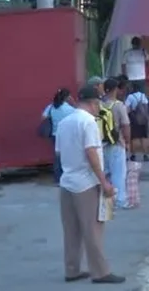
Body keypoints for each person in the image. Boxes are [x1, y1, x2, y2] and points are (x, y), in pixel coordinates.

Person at [55, 85, 125, 284]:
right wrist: (104, 182)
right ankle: (100, 272)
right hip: (86, 183)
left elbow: (58, 152)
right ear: (93, 103)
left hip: (67, 181)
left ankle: (72, 269)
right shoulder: (89, 123)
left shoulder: (64, 122)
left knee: (71, 229)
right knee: (93, 229)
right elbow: (91, 153)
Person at [101, 78, 131, 209]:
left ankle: (105, 199)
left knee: (105, 172)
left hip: (102, 143)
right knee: (118, 173)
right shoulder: (119, 105)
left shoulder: (99, 105)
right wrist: (127, 142)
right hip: (117, 143)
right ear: (115, 90)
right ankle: (119, 200)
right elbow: (125, 125)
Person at [43, 88, 76, 184]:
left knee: (57, 157)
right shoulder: (70, 109)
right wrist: (73, 103)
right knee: (68, 156)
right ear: (67, 97)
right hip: (67, 135)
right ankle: (67, 177)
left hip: (55, 134)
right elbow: (78, 115)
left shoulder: (51, 106)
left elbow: (43, 117)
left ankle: (57, 178)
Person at [125, 82, 149, 162]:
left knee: (133, 138)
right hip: (143, 120)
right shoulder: (143, 95)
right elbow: (146, 106)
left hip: (134, 120)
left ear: (133, 88)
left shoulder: (130, 97)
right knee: (143, 138)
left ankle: (133, 155)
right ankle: (145, 155)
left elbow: (127, 108)